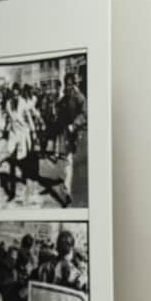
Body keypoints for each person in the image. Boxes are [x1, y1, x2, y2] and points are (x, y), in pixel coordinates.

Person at [55, 72, 87, 207]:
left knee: (79, 163)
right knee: (69, 162)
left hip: (79, 134)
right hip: (68, 134)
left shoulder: (80, 97)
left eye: (70, 84)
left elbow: (84, 113)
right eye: (66, 84)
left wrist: (74, 125)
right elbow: (59, 109)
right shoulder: (65, 98)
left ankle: (77, 189)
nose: (68, 87)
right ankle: (67, 191)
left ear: (74, 84)